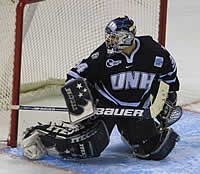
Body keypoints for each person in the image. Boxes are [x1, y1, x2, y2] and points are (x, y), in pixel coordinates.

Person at [21, 16, 181, 161]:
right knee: (90, 144)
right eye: (109, 36)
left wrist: (166, 102)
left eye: (114, 37)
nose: (110, 40)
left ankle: (132, 133)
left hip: (135, 110)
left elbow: (170, 78)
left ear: (127, 37)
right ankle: (40, 134)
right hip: (106, 105)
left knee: (151, 148)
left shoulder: (154, 52)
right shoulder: (103, 56)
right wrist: (84, 106)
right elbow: (73, 77)